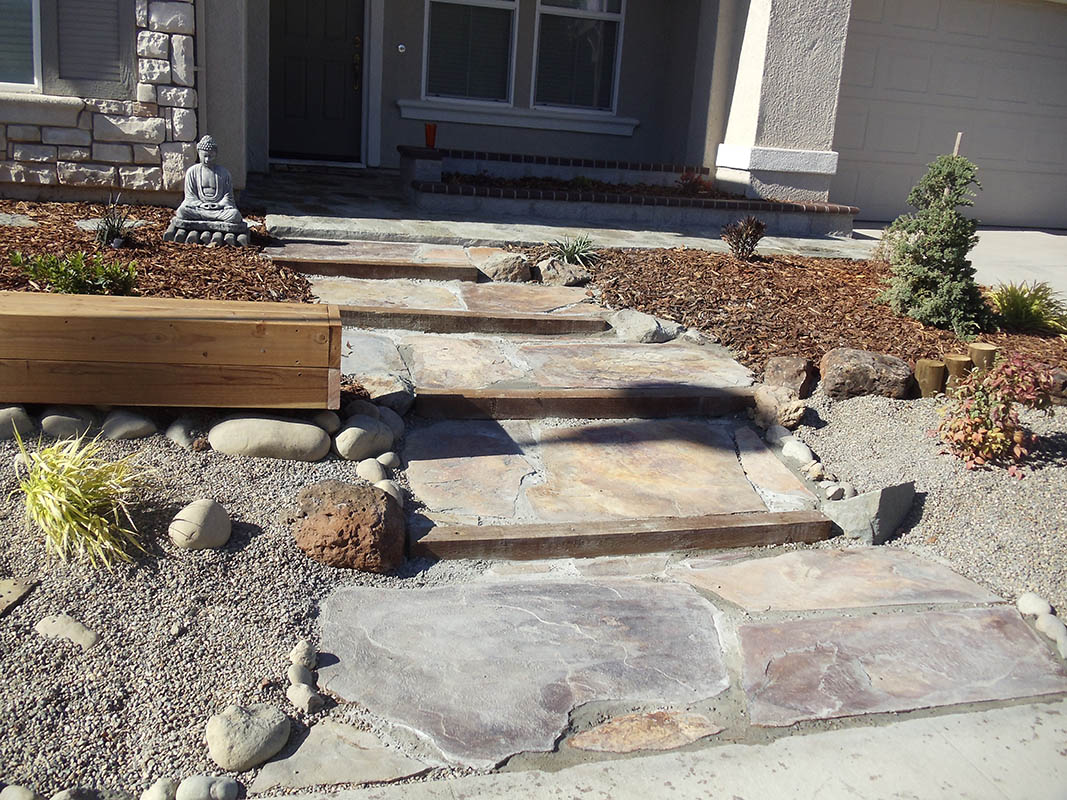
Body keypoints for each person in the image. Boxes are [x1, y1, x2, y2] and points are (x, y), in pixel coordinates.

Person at [175, 135, 243, 224]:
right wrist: (201, 204)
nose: (207, 159)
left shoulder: (224, 173)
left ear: (216, 155)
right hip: (199, 208)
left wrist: (219, 205)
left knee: (234, 215)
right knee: (182, 212)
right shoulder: (192, 172)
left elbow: (228, 197)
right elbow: (189, 196)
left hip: (218, 209)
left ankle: (208, 218)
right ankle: (210, 218)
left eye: (211, 156)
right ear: (198, 153)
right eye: (204, 156)